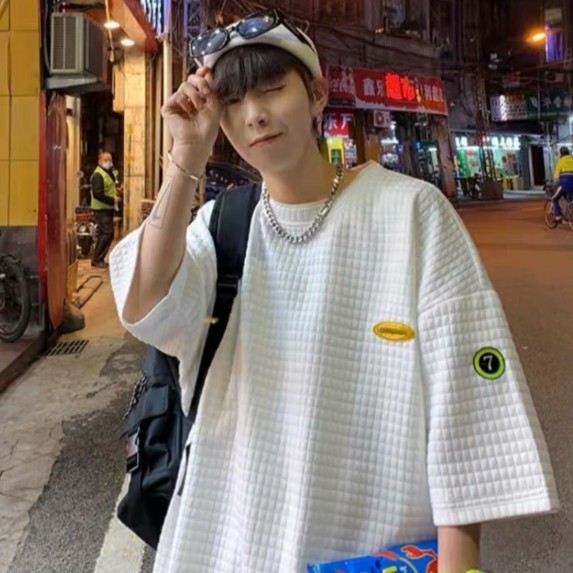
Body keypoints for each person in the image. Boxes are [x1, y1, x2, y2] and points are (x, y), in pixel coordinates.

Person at [109, 10, 559, 573]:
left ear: (317, 94)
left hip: (373, 546)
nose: (254, 115)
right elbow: (145, 304)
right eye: (234, 102)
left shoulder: (412, 213)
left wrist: (460, 565)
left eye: (273, 89)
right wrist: (185, 158)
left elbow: (465, 405)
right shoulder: (222, 226)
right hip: (225, 543)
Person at [90, 151, 119, 268]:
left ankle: (99, 259)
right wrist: (112, 200)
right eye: (106, 160)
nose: (109, 162)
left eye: (110, 160)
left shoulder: (107, 172)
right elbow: (98, 194)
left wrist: (117, 191)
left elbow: (109, 187)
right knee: (107, 233)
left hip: (107, 208)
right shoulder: (98, 175)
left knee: (107, 234)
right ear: (100, 161)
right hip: (101, 209)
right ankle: (97, 259)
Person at [552, 146, 573, 222]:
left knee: (554, 199)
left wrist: (555, 180)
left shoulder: (561, 161)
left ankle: (558, 216)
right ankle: (569, 212)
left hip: (565, 184)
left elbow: (556, 175)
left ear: (561, 154)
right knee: (569, 199)